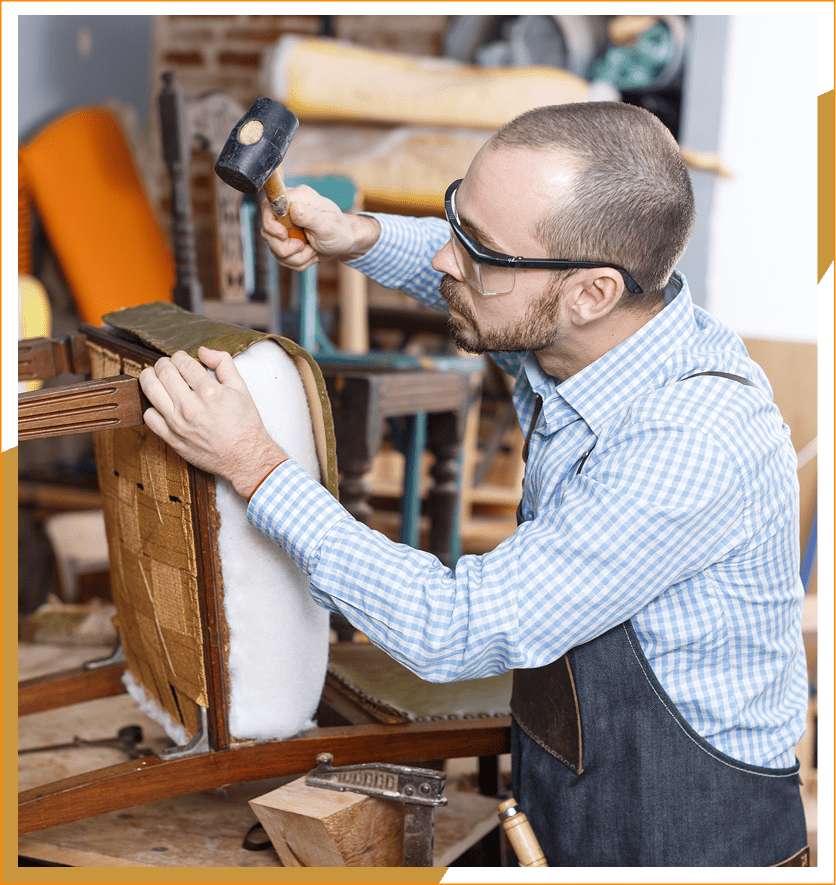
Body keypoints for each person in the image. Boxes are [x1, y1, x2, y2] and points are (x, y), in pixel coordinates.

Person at [139, 102, 809, 867]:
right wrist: (357, 235)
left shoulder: (689, 439)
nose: (444, 259)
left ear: (592, 292)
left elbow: (453, 627)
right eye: (456, 215)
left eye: (477, 249)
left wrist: (255, 465)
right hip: (571, 796)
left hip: (687, 839)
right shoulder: (597, 329)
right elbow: (484, 265)